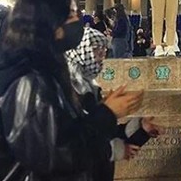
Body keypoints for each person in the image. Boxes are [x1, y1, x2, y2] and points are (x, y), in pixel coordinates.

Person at [0, 0, 143, 180]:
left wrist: (107, 114)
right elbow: (52, 156)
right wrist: (107, 113)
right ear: (51, 23)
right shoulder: (28, 81)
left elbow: (65, 130)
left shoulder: (49, 71)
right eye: (72, 14)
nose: (79, 21)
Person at [65, 27, 160, 181]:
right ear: (81, 51)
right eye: (96, 49)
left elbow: (104, 131)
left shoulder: (90, 86)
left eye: (104, 49)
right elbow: (68, 147)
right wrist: (113, 149)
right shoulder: (67, 89)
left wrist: (139, 127)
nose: (102, 54)